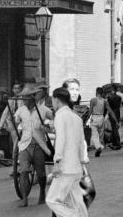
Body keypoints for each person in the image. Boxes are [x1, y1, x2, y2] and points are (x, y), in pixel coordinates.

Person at [46, 87, 88, 217]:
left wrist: (57, 162)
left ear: (56, 100)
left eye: (52, 100)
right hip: (76, 168)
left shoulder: (60, 116)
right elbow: (82, 143)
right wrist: (82, 162)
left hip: (65, 168)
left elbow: (61, 140)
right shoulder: (77, 118)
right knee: (77, 202)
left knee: (52, 200)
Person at [14, 83, 53, 207]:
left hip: (39, 145)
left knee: (41, 173)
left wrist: (48, 125)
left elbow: (53, 120)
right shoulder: (20, 110)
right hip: (24, 145)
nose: (24, 100)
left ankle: (42, 192)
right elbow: (15, 121)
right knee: (24, 172)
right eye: (23, 97)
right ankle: (25, 198)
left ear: (33, 97)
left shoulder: (43, 109)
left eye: (26, 97)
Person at [0, 81, 23, 160]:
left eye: (18, 88)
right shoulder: (11, 99)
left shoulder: (24, 99)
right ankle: (15, 157)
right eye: (15, 88)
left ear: (21, 89)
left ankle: (19, 156)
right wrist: (0, 125)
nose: (17, 90)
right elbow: (5, 112)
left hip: (21, 122)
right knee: (14, 139)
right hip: (11, 121)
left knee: (20, 139)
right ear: (12, 90)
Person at [89, 87, 115, 157]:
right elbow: (110, 110)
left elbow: (90, 111)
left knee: (94, 134)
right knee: (100, 136)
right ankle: (100, 147)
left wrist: (87, 119)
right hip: (101, 118)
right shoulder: (104, 101)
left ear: (96, 92)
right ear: (102, 93)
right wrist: (115, 120)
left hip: (94, 117)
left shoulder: (93, 100)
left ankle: (98, 147)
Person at [106, 84, 122, 150]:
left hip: (112, 112)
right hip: (117, 112)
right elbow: (119, 106)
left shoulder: (109, 97)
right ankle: (115, 142)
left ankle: (117, 143)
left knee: (114, 128)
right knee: (115, 127)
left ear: (112, 90)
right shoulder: (119, 97)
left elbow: (109, 107)